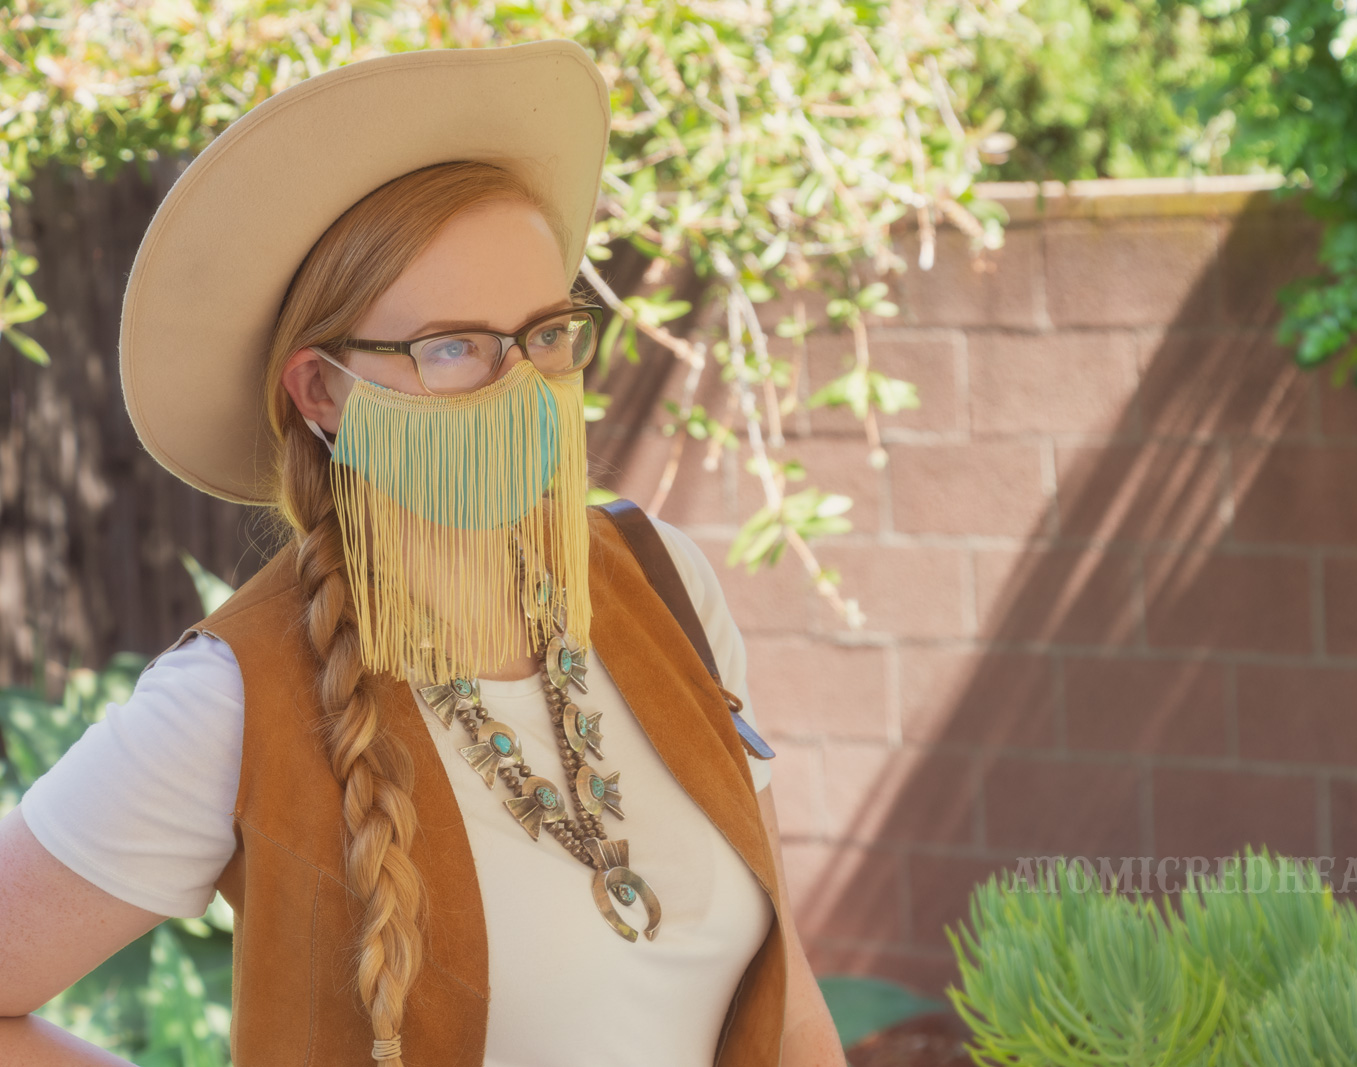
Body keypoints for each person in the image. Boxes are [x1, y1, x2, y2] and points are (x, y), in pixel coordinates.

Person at [0, 41, 845, 1067]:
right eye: (452, 345)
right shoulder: (234, 698)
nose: (519, 382)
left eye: (543, 332)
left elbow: (791, 1004)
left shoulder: (664, 582)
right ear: (321, 392)